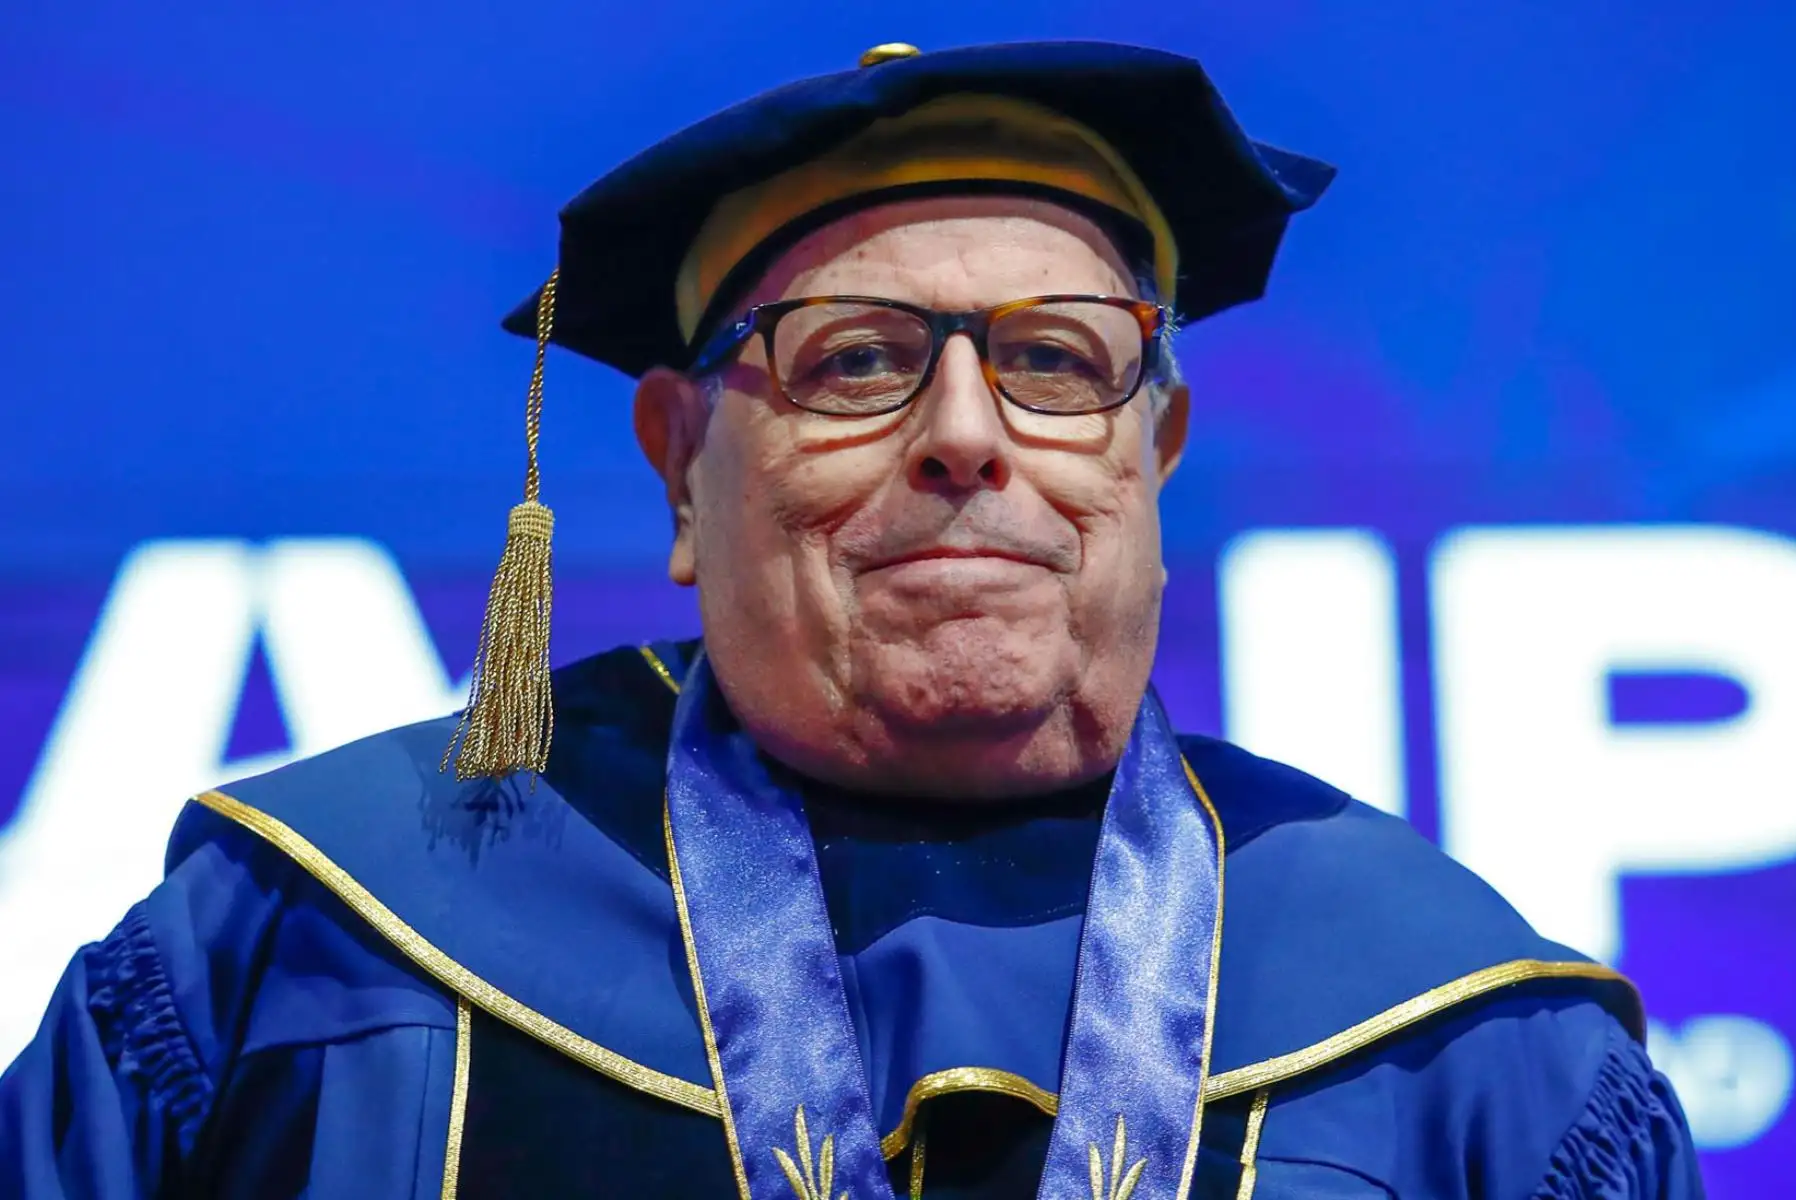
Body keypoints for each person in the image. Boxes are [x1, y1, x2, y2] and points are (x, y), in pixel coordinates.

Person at [0, 39, 1703, 1199]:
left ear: (1153, 450)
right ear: (681, 466)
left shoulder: (1476, 1047)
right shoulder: (300, 951)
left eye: (1054, 361)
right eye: (859, 360)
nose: (965, 436)